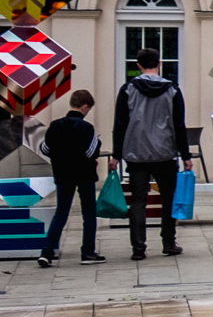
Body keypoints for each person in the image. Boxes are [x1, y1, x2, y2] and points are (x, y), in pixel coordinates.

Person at [112, 48, 193, 261]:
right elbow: (179, 124)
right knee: (168, 199)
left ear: (138, 65)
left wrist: (116, 154)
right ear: (159, 64)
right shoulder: (172, 90)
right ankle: (169, 242)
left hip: (136, 154)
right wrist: (186, 155)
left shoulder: (128, 89)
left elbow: (120, 124)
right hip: (165, 153)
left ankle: (138, 248)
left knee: (138, 201)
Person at [38, 89, 106, 266]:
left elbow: (44, 149)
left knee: (61, 213)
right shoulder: (86, 127)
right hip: (84, 175)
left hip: (62, 175)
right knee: (89, 214)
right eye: (88, 109)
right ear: (84, 107)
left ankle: (47, 251)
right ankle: (87, 253)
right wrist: (97, 142)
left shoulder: (55, 125)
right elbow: (91, 152)